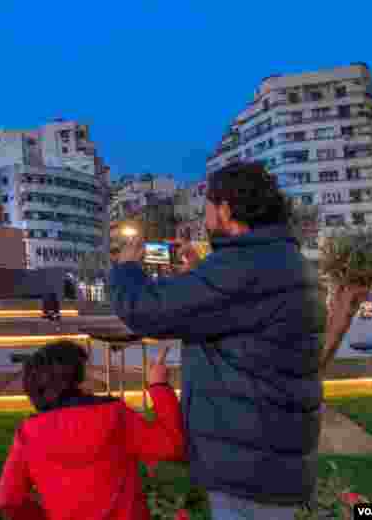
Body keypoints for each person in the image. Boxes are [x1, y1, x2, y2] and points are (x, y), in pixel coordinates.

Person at [109, 162, 323, 518]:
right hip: (268, 445)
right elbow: (240, 319)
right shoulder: (283, 258)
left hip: (249, 456)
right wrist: (199, 277)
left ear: (225, 209)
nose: (204, 215)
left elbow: (148, 310)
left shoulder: (243, 265)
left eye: (207, 205)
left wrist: (127, 267)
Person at [0, 341, 184, 520]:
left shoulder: (29, 432)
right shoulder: (115, 415)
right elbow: (171, 445)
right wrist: (159, 386)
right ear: (77, 381)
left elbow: (7, 499)